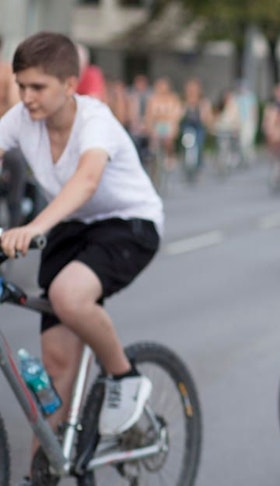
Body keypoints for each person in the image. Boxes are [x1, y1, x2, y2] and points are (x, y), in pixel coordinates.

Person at [0, 33, 163, 479]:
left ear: (70, 84)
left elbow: (87, 180)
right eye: (21, 85)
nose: (27, 97)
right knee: (52, 373)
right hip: (70, 227)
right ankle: (45, 472)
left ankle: (125, 378)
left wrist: (34, 227)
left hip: (128, 223)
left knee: (69, 296)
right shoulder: (20, 120)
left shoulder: (96, 121)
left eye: (38, 87)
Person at [1, 35, 31, 227]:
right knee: (18, 164)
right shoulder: (7, 73)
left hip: (5, 138)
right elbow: (15, 107)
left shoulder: (7, 73)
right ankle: (15, 217)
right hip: (7, 141)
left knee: (16, 161)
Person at [178, 78, 213, 177]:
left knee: (199, 143)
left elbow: (207, 117)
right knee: (186, 143)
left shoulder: (203, 102)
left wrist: (205, 118)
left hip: (198, 126)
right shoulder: (183, 101)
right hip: (187, 126)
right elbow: (178, 116)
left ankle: (198, 164)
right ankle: (185, 161)